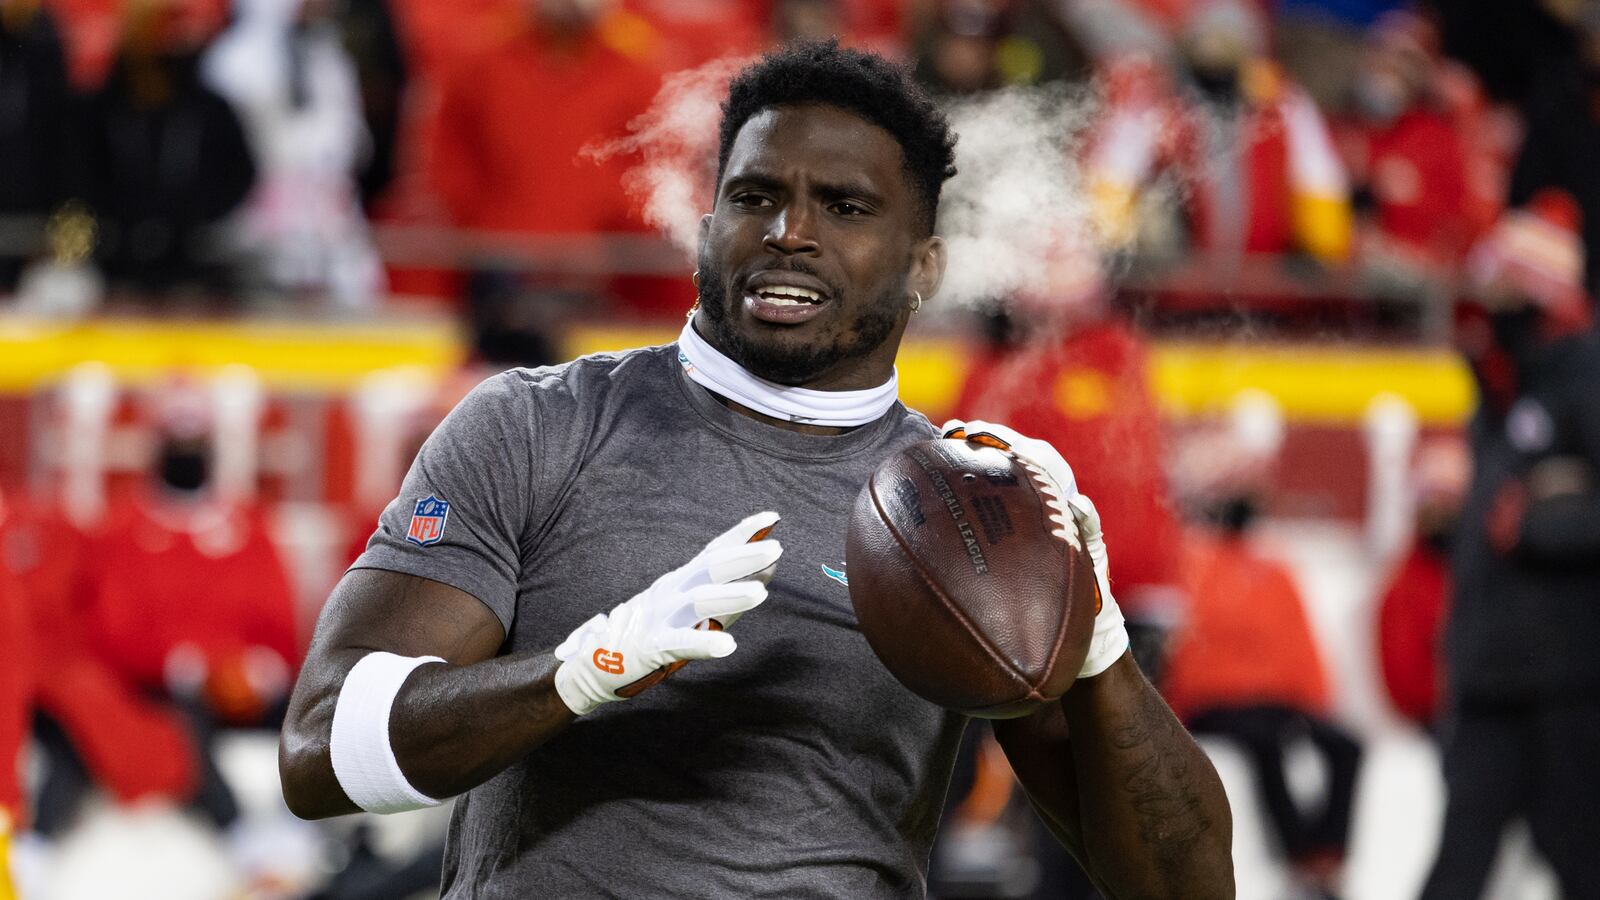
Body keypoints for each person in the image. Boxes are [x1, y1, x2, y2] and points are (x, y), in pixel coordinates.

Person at [279, 41, 1233, 898]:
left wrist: (1096, 641)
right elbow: (319, 757)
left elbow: (1183, 887)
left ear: (925, 265)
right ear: (707, 224)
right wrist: (581, 670)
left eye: (845, 207)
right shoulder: (537, 424)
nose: (789, 231)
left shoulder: (964, 510)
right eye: (756, 195)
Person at [1420, 190, 1600, 899]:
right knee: (1458, 868)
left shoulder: (1583, 378)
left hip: (1568, 687)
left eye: (1501, 290)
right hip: (1495, 681)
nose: (1484, 309)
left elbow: (1532, 518)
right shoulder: (1499, 393)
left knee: (1580, 860)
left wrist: (1536, 527)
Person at [1163, 425, 1361, 898]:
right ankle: (1297, 856)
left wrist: (1315, 704)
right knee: (1265, 744)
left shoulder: (1272, 567)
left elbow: (1301, 644)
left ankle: (1325, 853)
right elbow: (1185, 655)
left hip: (1275, 701)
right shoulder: (1187, 563)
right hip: (1215, 704)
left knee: (1345, 745)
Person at [1374, 436, 1467, 729]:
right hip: (1444, 715)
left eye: (1452, 500)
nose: (1443, 511)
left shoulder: (1481, 575)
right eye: (1435, 500)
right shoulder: (1407, 585)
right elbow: (1408, 683)